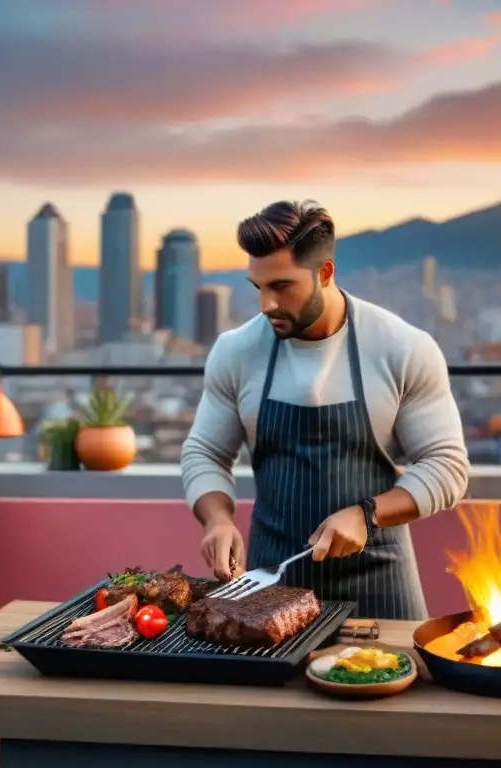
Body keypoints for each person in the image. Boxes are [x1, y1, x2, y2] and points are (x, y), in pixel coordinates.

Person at [180, 200, 469, 620]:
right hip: (271, 579)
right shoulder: (237, 351)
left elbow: (447, 466)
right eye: (258, 287)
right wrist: (217, 520)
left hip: (380, 576)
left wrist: (367, 515)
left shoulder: (402, 347)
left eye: (281, 286)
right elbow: (204, 452)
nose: (266, 305)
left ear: (326, 272)